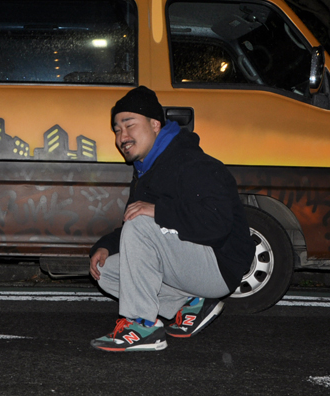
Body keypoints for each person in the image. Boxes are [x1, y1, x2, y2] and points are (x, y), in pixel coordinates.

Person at [89, 86, 255, 351]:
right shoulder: (146, 169)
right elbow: (138, 226)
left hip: (220, 264)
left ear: (155, 125)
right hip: (191, 265)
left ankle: (142, 325)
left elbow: (217, 224)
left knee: (141, 221)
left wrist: (157, 210)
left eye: (129, 125)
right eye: (117, 130)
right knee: (106, 271)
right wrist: (106, 246)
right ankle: (192, 303)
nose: (122, 137)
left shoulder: (190, 162)